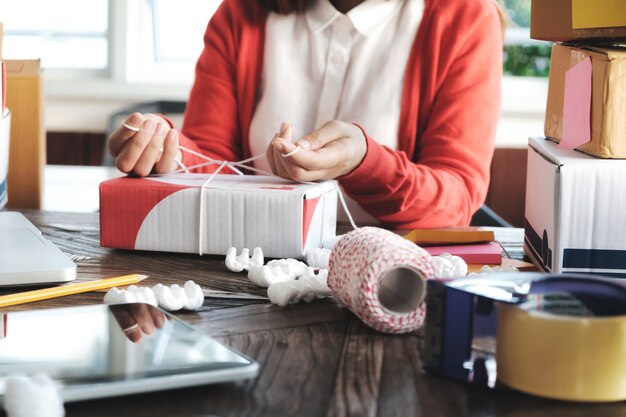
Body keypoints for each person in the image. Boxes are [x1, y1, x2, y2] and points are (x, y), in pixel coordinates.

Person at [107, 0, 504, 229]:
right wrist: (164, 148)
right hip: (242, 266)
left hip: (390, 282)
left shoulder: (465, 18)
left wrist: (367, 163)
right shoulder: (240, 13)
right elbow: (213, 159)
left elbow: (456, 196)